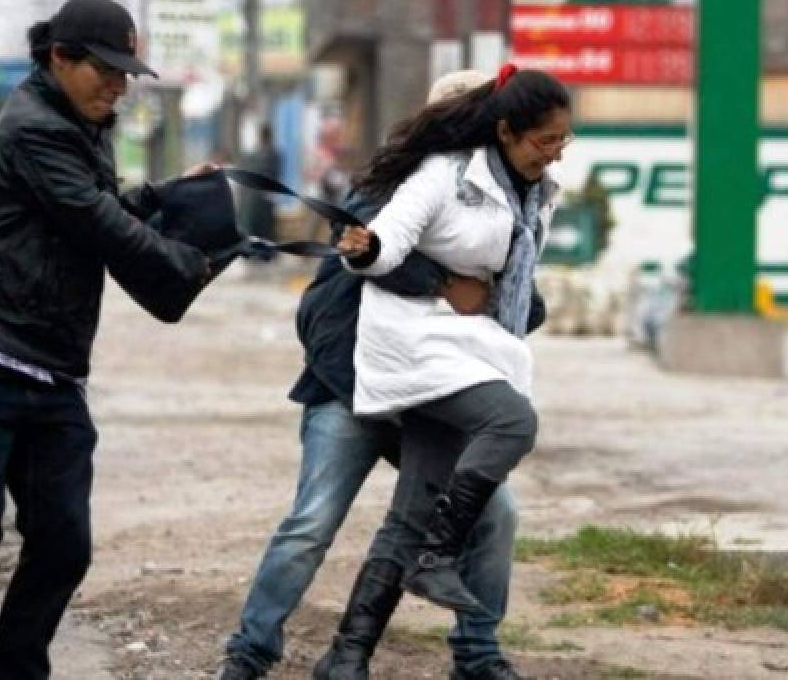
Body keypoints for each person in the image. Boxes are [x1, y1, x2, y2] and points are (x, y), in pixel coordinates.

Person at [0, 0, 215, 680]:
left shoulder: (84, 126)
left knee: (64, 541)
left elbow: (99, 207)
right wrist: (188, 264)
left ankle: (16, 669)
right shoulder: (33, 129)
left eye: (127, 72)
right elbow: (96, 222)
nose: (118, 84)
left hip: (52, 366)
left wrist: (173, 195)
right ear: (59, 58)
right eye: (105, 69)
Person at [219, 70, 545, 680]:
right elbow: (339, 286)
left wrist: (502, 292)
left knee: (494, 515)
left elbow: (524, 304)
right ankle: (249, 653)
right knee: (312, 522)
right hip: (349, 393)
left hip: (430, 399)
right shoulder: (394, 191)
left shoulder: (500, 205)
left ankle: (473, 655)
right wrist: (446, 287)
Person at [314, 65, 571, 678]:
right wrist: (367, 249)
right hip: (413, 341)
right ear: (506, 132)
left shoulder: (536, 194)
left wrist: (517, 298)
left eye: (565, 140)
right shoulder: (443, 175)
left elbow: (512, 279)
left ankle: (345, 656)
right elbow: (386, 244)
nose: (556, 153)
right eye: (545, 141)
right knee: (513, 422)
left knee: (410, 511)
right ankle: (439, 554)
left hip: (469, 349)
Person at [239, 123, 282, 262]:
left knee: (264, 226)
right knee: (263, 226)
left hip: (261, 195)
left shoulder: (264, 154)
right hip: (264, 195)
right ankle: (263, 253)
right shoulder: (271, 153)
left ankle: (264, 253)